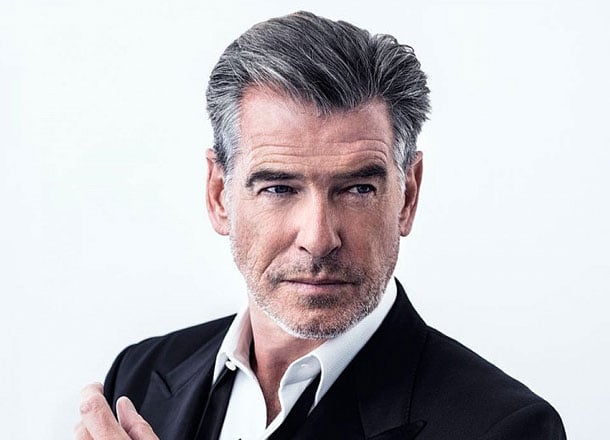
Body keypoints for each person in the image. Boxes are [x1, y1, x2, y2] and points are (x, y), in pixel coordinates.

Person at [75, 11, 566, 440]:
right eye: (279, 188)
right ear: (219, 195)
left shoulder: (505, 428)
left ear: (407, 196)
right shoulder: (138, 378)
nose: (318, 238)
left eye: (357, 189)